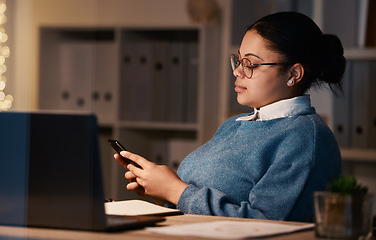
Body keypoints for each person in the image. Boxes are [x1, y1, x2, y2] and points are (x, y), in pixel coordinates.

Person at [114, 11, 345, 222]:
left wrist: (175, 190)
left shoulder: (305, 138)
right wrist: (160, 191)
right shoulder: (233, 125)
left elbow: (265, 223)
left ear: (294, 74)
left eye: (251, 64)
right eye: (239, 60)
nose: (237, 71)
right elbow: (197, 209)